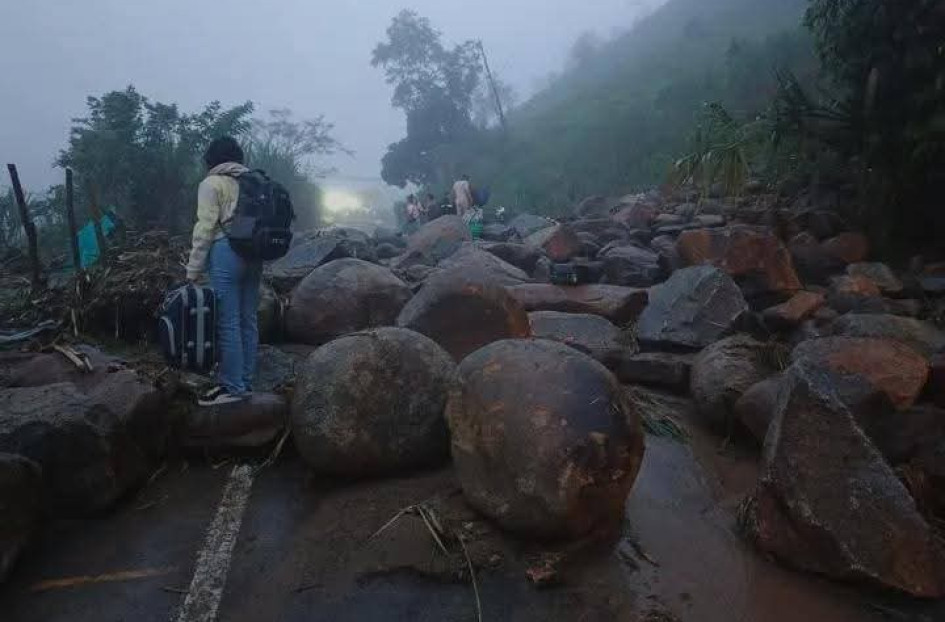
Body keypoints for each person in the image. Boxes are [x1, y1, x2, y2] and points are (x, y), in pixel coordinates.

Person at [185, 136, 261, 406]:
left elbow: (205, 228)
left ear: (212, 158)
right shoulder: (253, 182)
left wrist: (193, 269)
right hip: (254, 253)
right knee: (248, 319)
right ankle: (246, 381)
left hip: (226, 252)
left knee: (228, 321)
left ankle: (233, 388)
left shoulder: (211, 184)